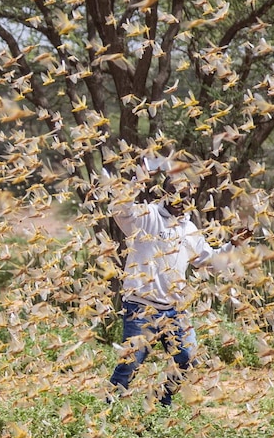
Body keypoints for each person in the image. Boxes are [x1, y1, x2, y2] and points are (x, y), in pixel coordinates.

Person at [107, 166, 250, 407]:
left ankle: (161, 403)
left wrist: (233, 245)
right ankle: (106, 414)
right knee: (130, 365)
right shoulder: (146, 216)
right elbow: (119, 209)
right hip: (141, 308)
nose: (178, 200)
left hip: (175, 310)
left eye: (184, 196)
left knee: (188, 358)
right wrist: (137, 180)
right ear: (162, 193)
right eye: (173, 194)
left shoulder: (189, 229)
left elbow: (208, 262)